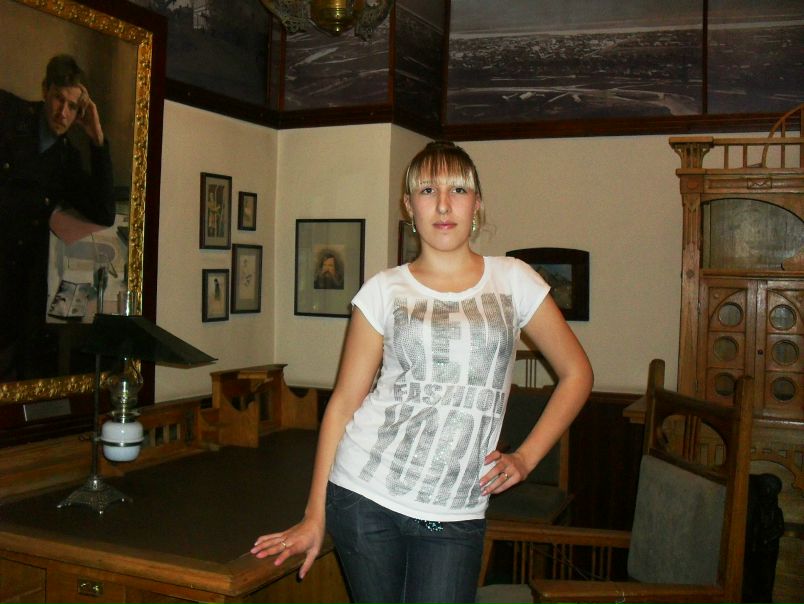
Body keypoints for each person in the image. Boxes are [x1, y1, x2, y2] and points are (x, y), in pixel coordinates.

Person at [251, 141, 593, 603]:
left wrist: (527, 458)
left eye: (458, 189)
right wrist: (315, 516)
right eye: (428, 190)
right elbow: (344, 404)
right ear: (409, 206)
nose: (444, 204)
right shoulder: (383, 290)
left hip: (456, 512)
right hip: (364, 496)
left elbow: (577, 373)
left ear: (477, 203)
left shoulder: (514, 280)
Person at [0, 54, 115, 381]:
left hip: (21, 286)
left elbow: (105, 211)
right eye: (58, 99)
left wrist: (97, 140)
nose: (62, 112)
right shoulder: (8, 113)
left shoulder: (66, 160)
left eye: (73, 106)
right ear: (44, 91)